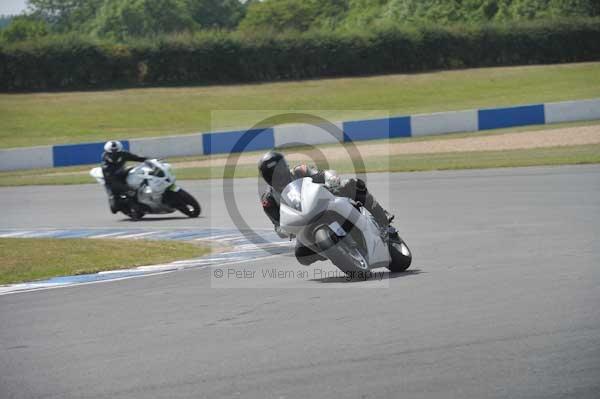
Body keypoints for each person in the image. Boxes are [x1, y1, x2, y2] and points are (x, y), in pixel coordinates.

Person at [258, 151, 393, 266]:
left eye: (280, 170)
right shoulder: (268, 200)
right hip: (304, 223)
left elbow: (322, 174)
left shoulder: (300, 171)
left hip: (325, 202)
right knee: (301, 255)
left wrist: (331, 179)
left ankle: (383, 220)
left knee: (352, 184)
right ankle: (332, 251)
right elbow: (277, 226)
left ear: (285, 166)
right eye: (273, 174)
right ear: (267, 177)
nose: (279, 175)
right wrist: (286, 229)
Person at [101, 140, 147, 213]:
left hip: (121, 174)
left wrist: (148, 159)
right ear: (108, 151)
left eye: (116, 151)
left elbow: (136, 158)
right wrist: (125, 188)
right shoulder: (105, 159)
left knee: (135, 171)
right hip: (111, 180)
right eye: (112, 151)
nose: (114, 153)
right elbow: (109, 177)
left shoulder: (123, 154)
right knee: (114, 208)